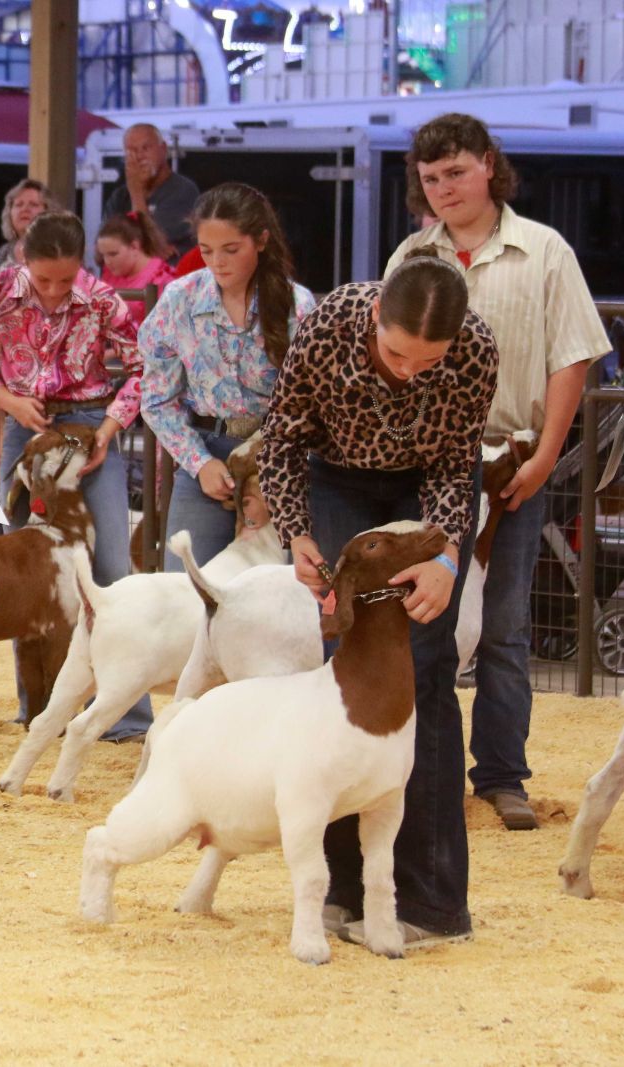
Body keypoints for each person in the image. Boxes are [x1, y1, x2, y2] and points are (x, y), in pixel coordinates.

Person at [259, 252, 499, 947]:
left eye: (430, 361)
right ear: (373, 318)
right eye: (397, 353)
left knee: (423, 669)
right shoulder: (327, 321)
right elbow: (281, 436)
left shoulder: (478, 347)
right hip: (337, 482)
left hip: (426, 496)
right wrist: (298, 531)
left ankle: (431, 902)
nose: (409, 371)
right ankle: (340, 887)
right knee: (346, 668)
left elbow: (459, 461)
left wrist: (449, 554)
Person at [388, 113, 610, 833]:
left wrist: (547, 455)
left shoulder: (545, 251)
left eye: (455, 172)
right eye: (430, 178)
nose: (443, 188)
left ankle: (503, 775)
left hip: (510, 457)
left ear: (489, 165)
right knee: (422, 621)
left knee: (506, 626)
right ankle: (414, 768)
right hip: (423, 466)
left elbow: (571, 357)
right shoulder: (410, 256)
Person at [0, 211, 151, 738]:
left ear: (81, 265)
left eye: (65, 279)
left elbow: (141, 369)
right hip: (25, 425)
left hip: (89, 428)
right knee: (25, 568)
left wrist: (110, 429)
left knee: (113, 562)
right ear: (23, 257)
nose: (54, 290)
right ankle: (37, 707)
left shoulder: (102, 299)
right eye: (44, 279)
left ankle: (126, 717)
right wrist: (9, 402)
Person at [139, 183, 317, 570]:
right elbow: (156, 398)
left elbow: (312, 405)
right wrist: (199, 463)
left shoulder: (297, 306)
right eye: (206, 251)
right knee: (185, 588)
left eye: (231, 250)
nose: (217, 262)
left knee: (274, 591)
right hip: (204, 453)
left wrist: (273, 471)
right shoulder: (178, 300)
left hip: (277, 460)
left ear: (262, 240)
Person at [103, 123, 201, 262]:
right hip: (124, 282)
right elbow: (102, 251)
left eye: (146, 148)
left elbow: (148, 246)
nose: (139, 157)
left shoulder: (183, 190)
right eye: (132, 151)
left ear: (163, 149)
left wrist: (136, 192)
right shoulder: (119, 197)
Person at [95, 210, 177, 326]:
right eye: (103, 255)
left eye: (113, 254)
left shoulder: (162, 279)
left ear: (134, 246)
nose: (107, 261)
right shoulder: (110, 274)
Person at [0, 179, 56, 276]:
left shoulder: (60, 250)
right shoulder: (3, 252)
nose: (25, 209)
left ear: (48, 213)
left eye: (33, 205)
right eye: (19, 205)